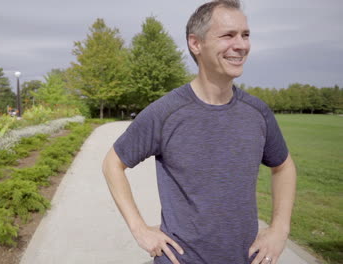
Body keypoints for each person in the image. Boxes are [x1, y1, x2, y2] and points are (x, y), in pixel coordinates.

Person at [102, 0, 297, 263]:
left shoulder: (257, 113)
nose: (241, 45)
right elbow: (112, 163)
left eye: (245, 35)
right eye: (228, 35)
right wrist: (140, 230)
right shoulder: (166, 113)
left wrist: (279, 230)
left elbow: (283, 166)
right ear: (196, 44)